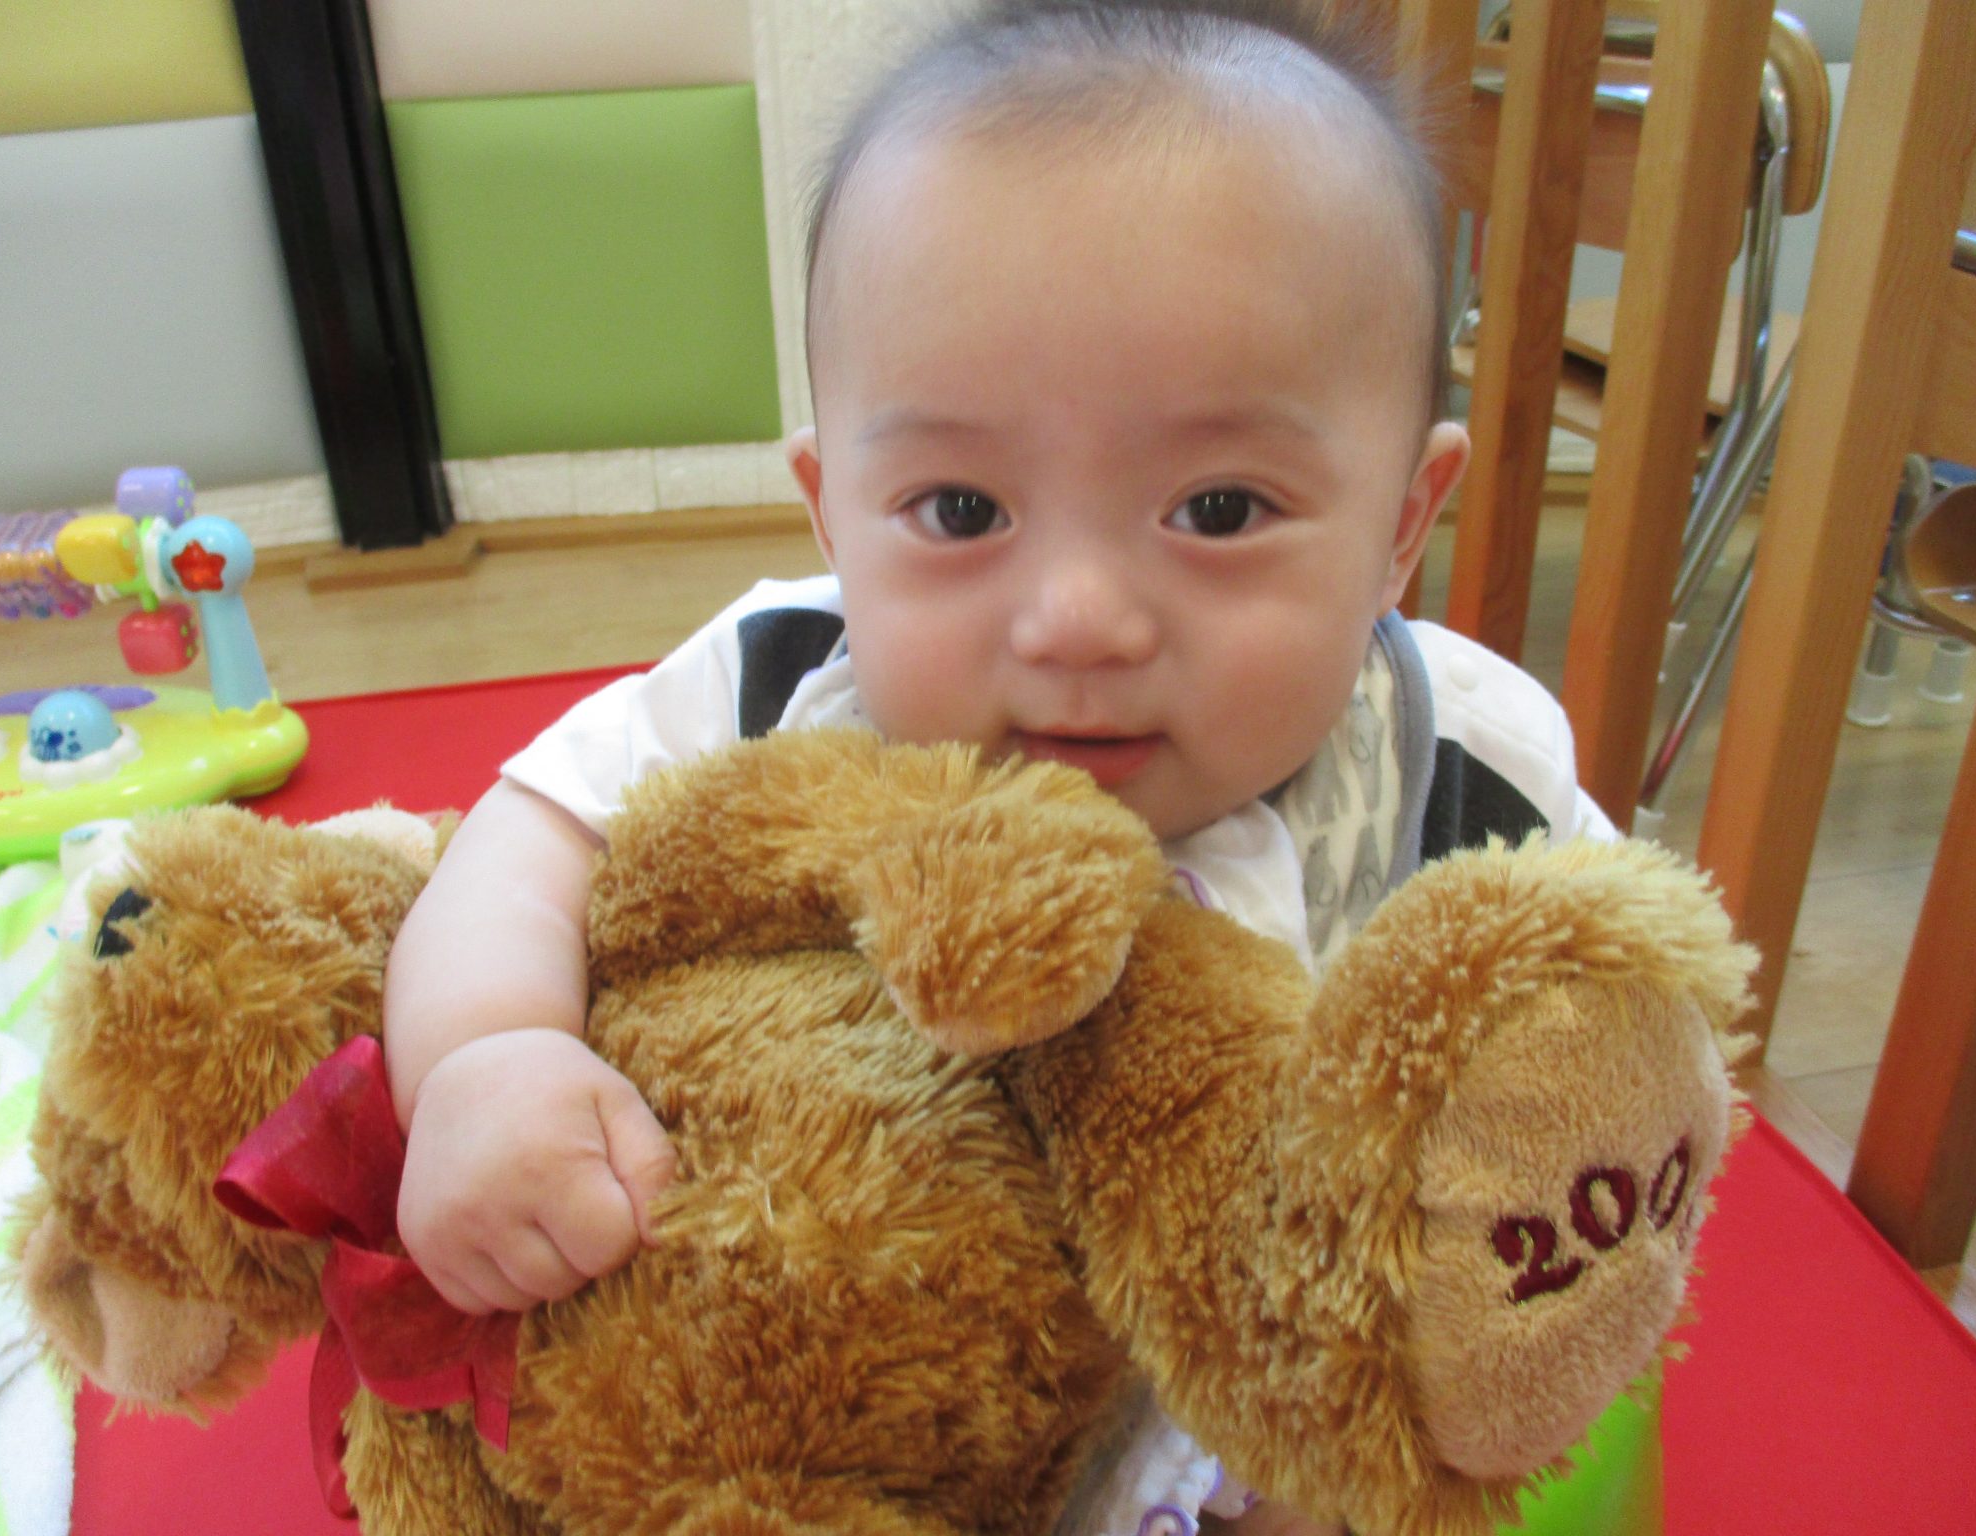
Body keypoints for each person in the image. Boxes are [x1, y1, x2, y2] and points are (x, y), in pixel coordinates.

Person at [382, 2, 1611, 1530]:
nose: (1077, 619)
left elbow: (1610, 1062)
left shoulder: (1466, 774)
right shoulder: (783, 676)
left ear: (1401, 526)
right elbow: (529, 833)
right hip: (848, 1391)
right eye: (962, 512)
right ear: (834, 514)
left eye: (1220, 510)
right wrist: (488, 1053)